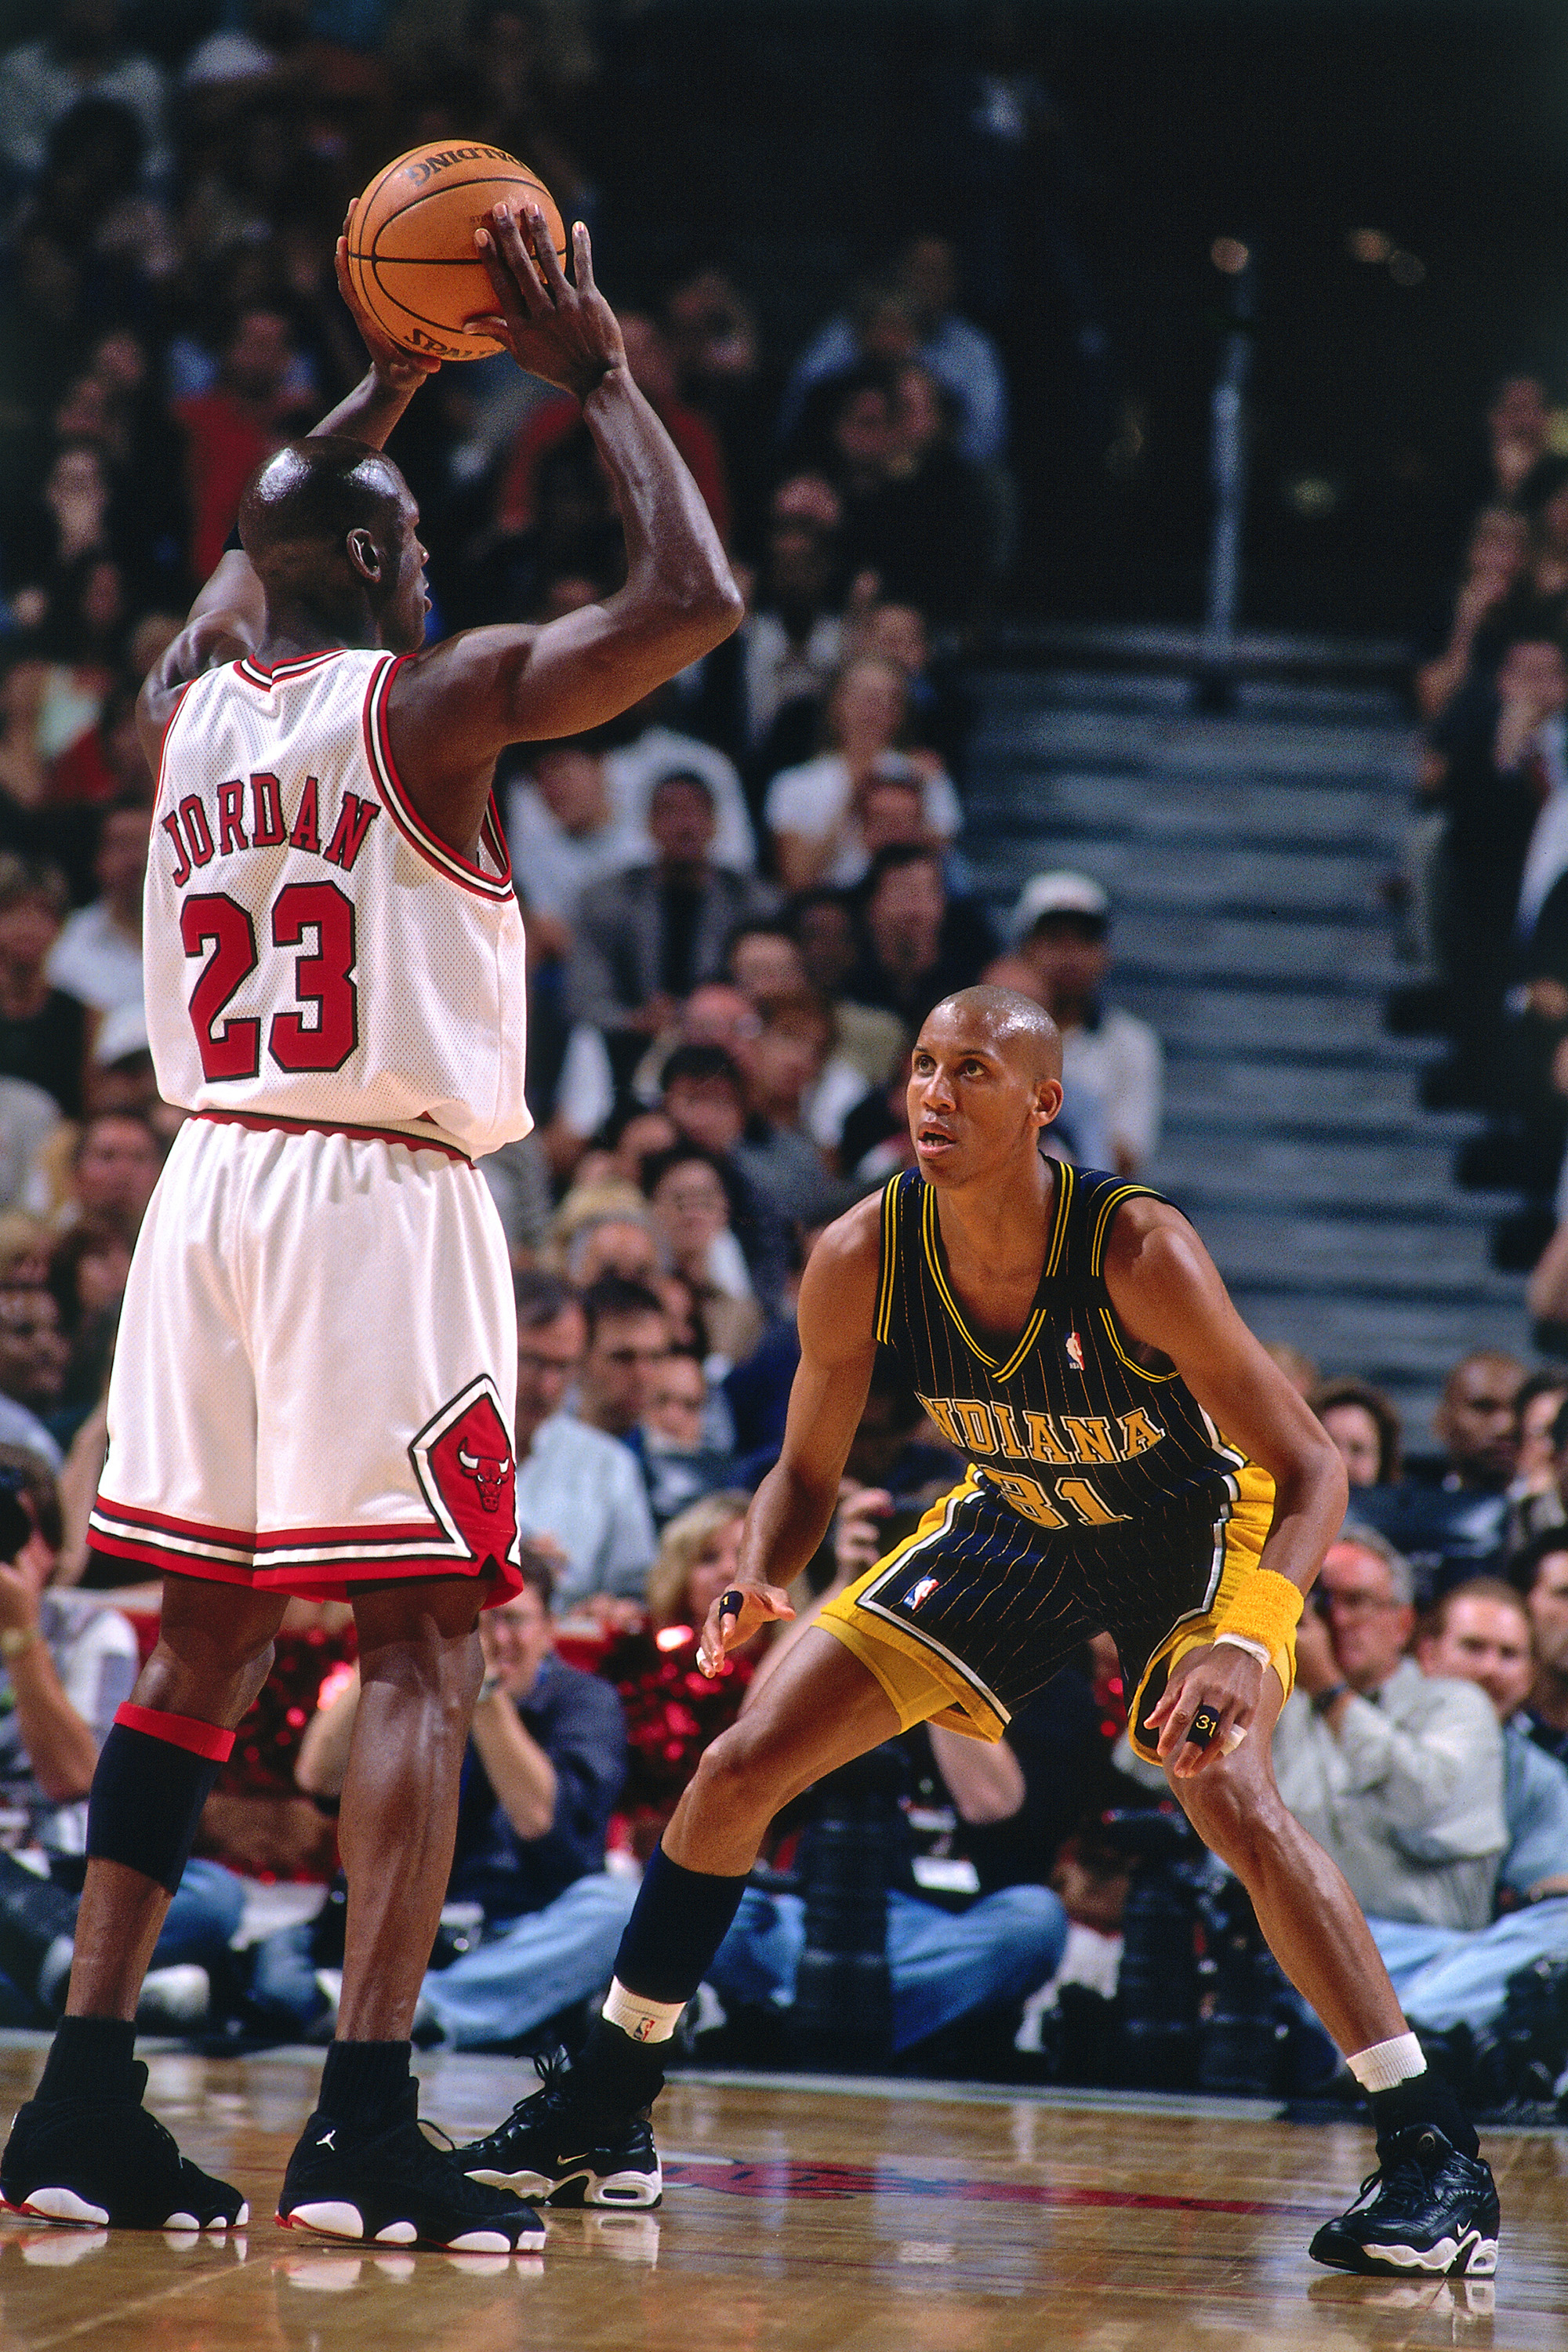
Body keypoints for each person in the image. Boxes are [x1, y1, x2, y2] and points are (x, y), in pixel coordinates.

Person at [0, 198, 740, 2251]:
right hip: (374, 1202)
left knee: (201, 1642)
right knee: (424, 1646)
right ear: (402, 565)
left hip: (207, 1191)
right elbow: (696, 596)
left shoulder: (183, 705)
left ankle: (76, 2097)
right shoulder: (440, 701)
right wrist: (592, 373)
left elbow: (271, 534)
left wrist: (387, 395)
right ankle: (362, 2115)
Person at [452, 985, 1500, 2278]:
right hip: (1016, 1516)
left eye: (974, 1073)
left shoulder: (1138, 1252)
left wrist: (1254, 1634)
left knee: (1224, 1788)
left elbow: (1311, 1460)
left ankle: (1432, 2152)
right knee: (738, 1770)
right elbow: (805, 1461)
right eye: (925, 1068)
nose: (937, 1094)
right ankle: (608, 2103)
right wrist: (767, 1570)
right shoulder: (861, 1250)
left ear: (1045, 1103)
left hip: (1196, 1524)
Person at [271, 1552, 634, 2054]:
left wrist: (481, 1691)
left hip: (524, 1926)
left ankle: (428, 2010)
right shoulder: (417, 1683)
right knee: (272, 1956)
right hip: (409, 1919)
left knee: (619, 1907)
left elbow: (538, 1818)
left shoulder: (586, 1701)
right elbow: (319, 1776)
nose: (495, 1639)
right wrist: (387, 1648)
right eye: (478, 1623)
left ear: (550, 1629)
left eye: (512, 1619)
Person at [509, 1271, 657, 1618]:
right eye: (531, 1361)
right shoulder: (434, 1450)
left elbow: (636, 1596)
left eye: (563, 1367)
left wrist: (610, 1610)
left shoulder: (609, 1465)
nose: (546, 1386)